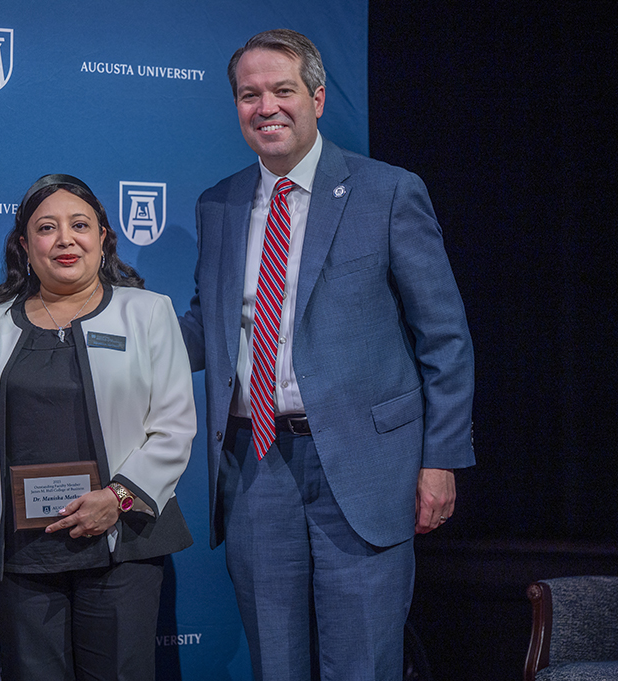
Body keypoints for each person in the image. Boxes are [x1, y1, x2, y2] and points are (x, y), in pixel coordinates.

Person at [178, 29, 475, 681]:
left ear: (316, 98)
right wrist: (108, 328)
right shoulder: (218, 205)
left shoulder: (388, 192)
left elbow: (445, 337)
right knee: (276, 662)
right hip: (257, 464)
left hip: (366, 467)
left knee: (362, 662)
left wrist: (441, 458)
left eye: (283, 90)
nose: (267, 107)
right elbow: (209, 325)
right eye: (250, 95)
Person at [0, 174, 196, 681]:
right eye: (46, 228)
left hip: (122, 539)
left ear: (103, 237)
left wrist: (116, 498)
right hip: (21, 554)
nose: (65, 239)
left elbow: (174, 424)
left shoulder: (148, 312)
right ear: (25, 246)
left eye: (80, 225)